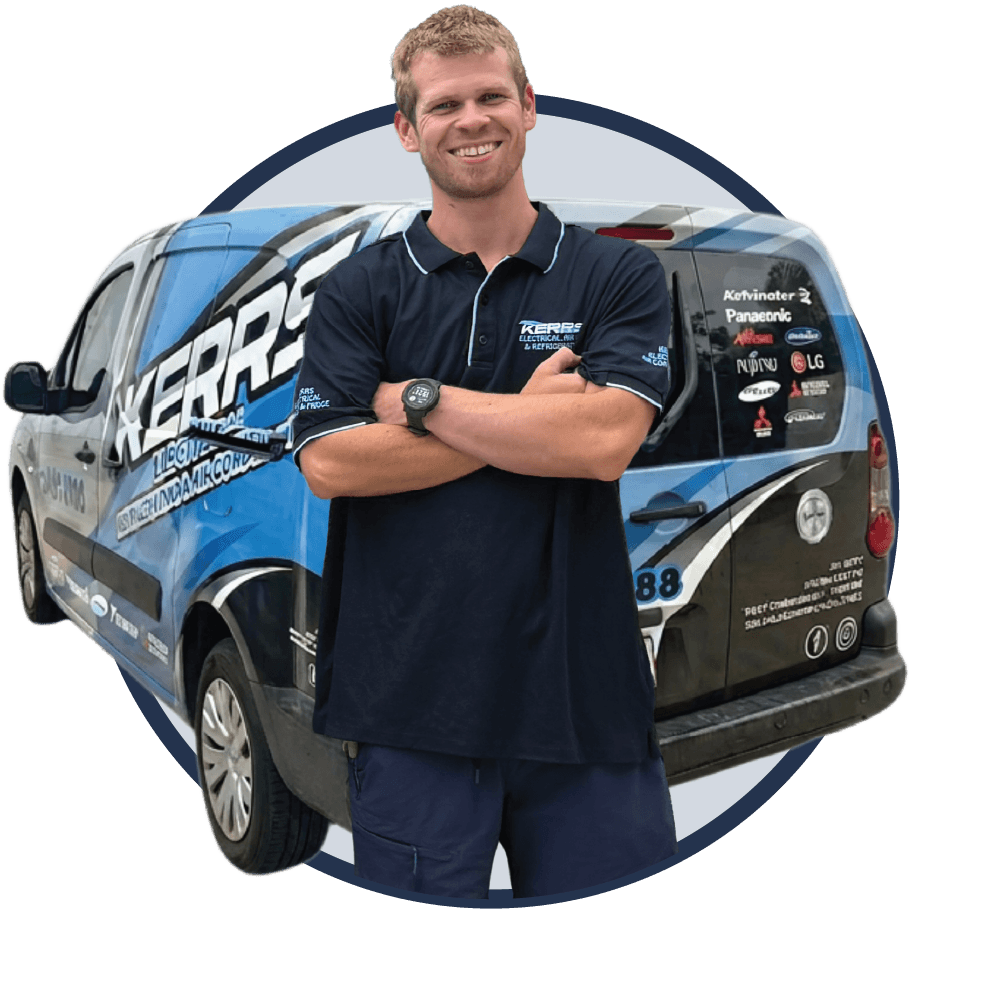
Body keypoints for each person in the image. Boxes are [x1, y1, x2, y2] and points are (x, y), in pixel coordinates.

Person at [291, 5, 678, 899]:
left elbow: (603, 442)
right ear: (405, 129)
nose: (471, 119)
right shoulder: (361, 287)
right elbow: (331, 463)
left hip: (587, 710)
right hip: (410, 710)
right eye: (443, 104)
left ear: (529, 105)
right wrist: (526, 421)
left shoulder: (614, 274)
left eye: (491, 95)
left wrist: (417, 402)